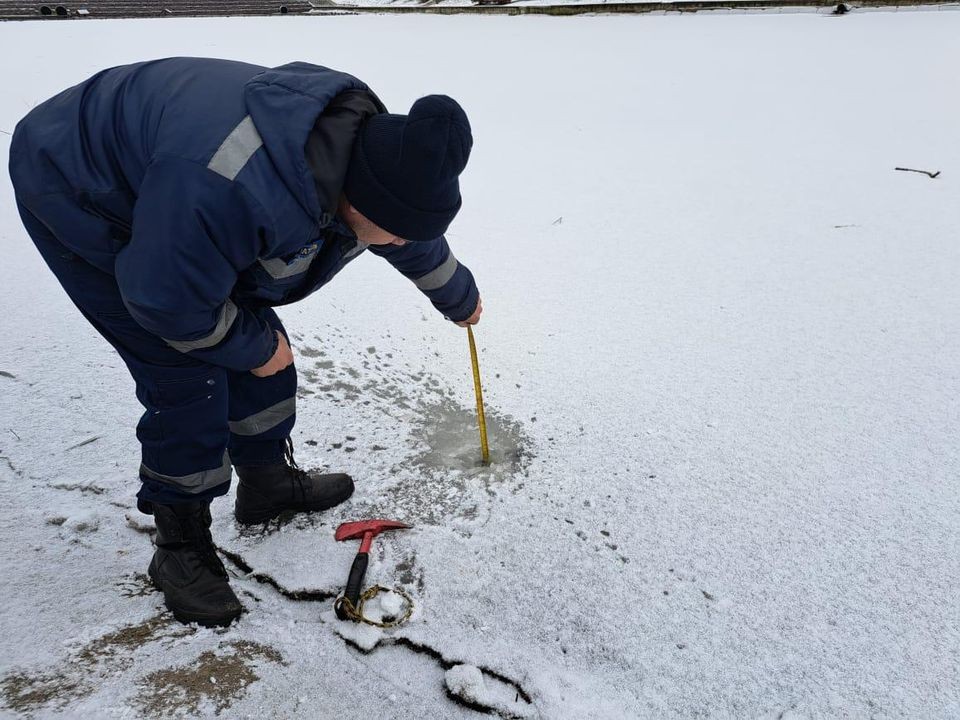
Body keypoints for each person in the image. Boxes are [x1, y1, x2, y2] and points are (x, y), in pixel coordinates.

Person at [8, 58, 482, 627]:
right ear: (360, 203)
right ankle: (179, 544)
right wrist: (250, 349)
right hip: (76, 181)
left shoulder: (367, 164)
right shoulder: (235, 184)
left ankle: (266, 484)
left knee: (258, 343)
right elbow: (167, 301)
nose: (403, 239)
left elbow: (408, 233)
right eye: (399, 228)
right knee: (188, 371)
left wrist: (457, 295)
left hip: (184, 196)